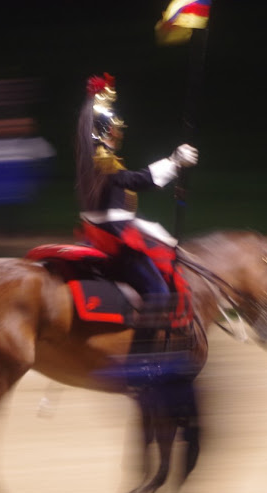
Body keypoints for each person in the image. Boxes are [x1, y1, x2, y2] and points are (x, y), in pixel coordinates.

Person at [75, 72, 198, 353]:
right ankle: (139, 363)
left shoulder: (98, 156)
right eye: (116, 125)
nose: (121, 128)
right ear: (107, 129)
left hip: (107, 229)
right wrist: (174, 162)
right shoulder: (101, 158)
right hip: (114, 234)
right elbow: (135, 181)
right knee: (158, 293)